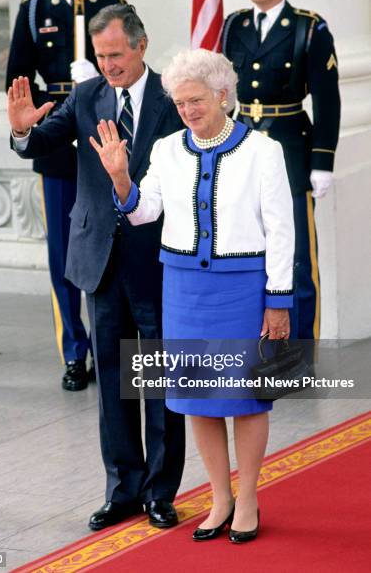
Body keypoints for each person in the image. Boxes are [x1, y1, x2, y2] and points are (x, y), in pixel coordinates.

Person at [92, 48, 294, 543]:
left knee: (246, 400)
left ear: (223, 95)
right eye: (180, 103)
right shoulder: (164, 150)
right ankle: (218, 497)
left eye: (197, 100)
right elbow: (143, 211)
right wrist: (121, 177)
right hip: (183, 288)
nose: (187, 110)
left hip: (243, 290)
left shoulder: (263, 150)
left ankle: (247, 497)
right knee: (196, 400)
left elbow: (282, 230)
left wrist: (278, 300)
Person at [8, 4, 185, 531]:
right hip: (100, 259)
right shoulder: (85, 97)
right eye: (100, 55)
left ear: (141, 45)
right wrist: (21, 133)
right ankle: (122, 489)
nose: (107, 64)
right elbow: (40, 140)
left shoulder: (171, 101)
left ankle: (159, 490)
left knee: (155, 380)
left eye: (116, 54)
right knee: (111, 381)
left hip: (154, 258)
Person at [6, 0, 127, 391]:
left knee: (113, 244)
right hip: (57, 141)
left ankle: (109, 345)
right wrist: (53, 114)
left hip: (105, 140)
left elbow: (128, 76)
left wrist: (97, 85)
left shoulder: (111, 6)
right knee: (63, 252)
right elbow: (18, 81)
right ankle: (75, 351)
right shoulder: (36, 9)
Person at [222, 0, 340, 340]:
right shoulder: (234, 25)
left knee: (297, 260)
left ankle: (299, 355)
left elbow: (327, 100)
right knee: (249, 253)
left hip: (290, 150)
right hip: (243, 149)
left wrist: (322, 160)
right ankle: (259, 345)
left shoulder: (309, 27)